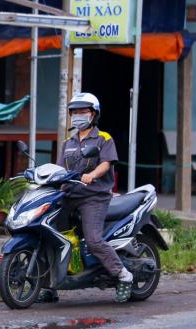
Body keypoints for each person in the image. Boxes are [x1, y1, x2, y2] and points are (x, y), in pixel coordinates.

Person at [48, 92, 134, 303]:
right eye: (74, 112)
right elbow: (59, 168)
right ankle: (51, 285)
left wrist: (92, 175)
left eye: (83, 111)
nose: (78, 116)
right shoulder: (68, 142)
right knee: (51, 235)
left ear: (93, 114)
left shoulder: (103, 138)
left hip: (93, 196)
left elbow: (107, 163)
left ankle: (123, 275)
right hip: (69, 195)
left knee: (94, 239)